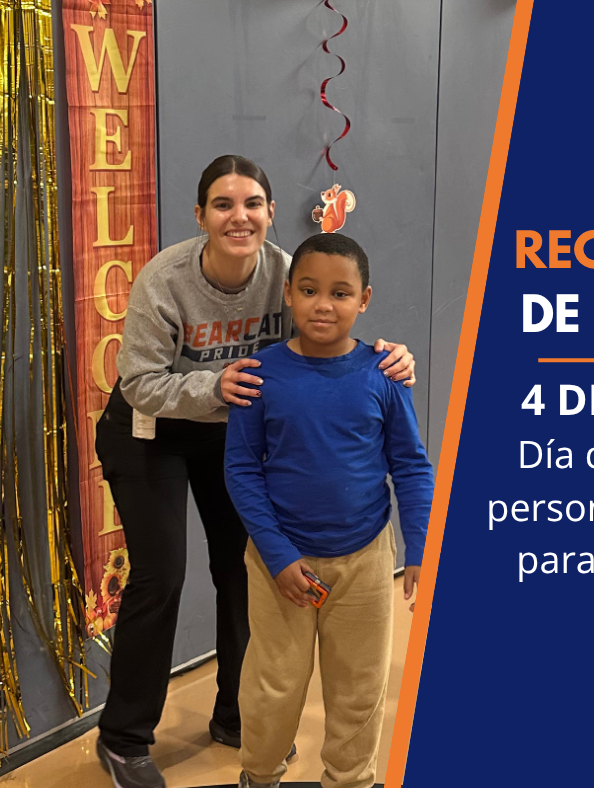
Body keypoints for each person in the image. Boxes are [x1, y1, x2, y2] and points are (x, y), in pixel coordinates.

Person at [94, 156, 416, 788]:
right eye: (222, 204)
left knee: (244, 569)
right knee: (161, 576)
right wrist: (216, 383)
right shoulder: (167, 278)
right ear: (201, 215)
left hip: (230, 426)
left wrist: (391, 353)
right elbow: (138, 382)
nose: (238, 217)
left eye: (251, 205)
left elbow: (332, 314)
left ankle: (237, 720)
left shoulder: (284, 272)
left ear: (270, 214)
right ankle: (124, 738)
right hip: (151, 428)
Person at [224, 233, 432, 788]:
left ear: (364, 300)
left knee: (360, 687)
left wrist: (420, 547)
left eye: (341, 293)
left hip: (364, 560)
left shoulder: (383, 376)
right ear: (288, 293)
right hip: (280, 565)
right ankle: (261, 773)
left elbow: (410, 465)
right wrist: (279, 556)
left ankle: (350, 778)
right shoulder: (258, 374)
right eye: (310, 289)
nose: (323, 304)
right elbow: (242, 470)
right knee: (274, 684)